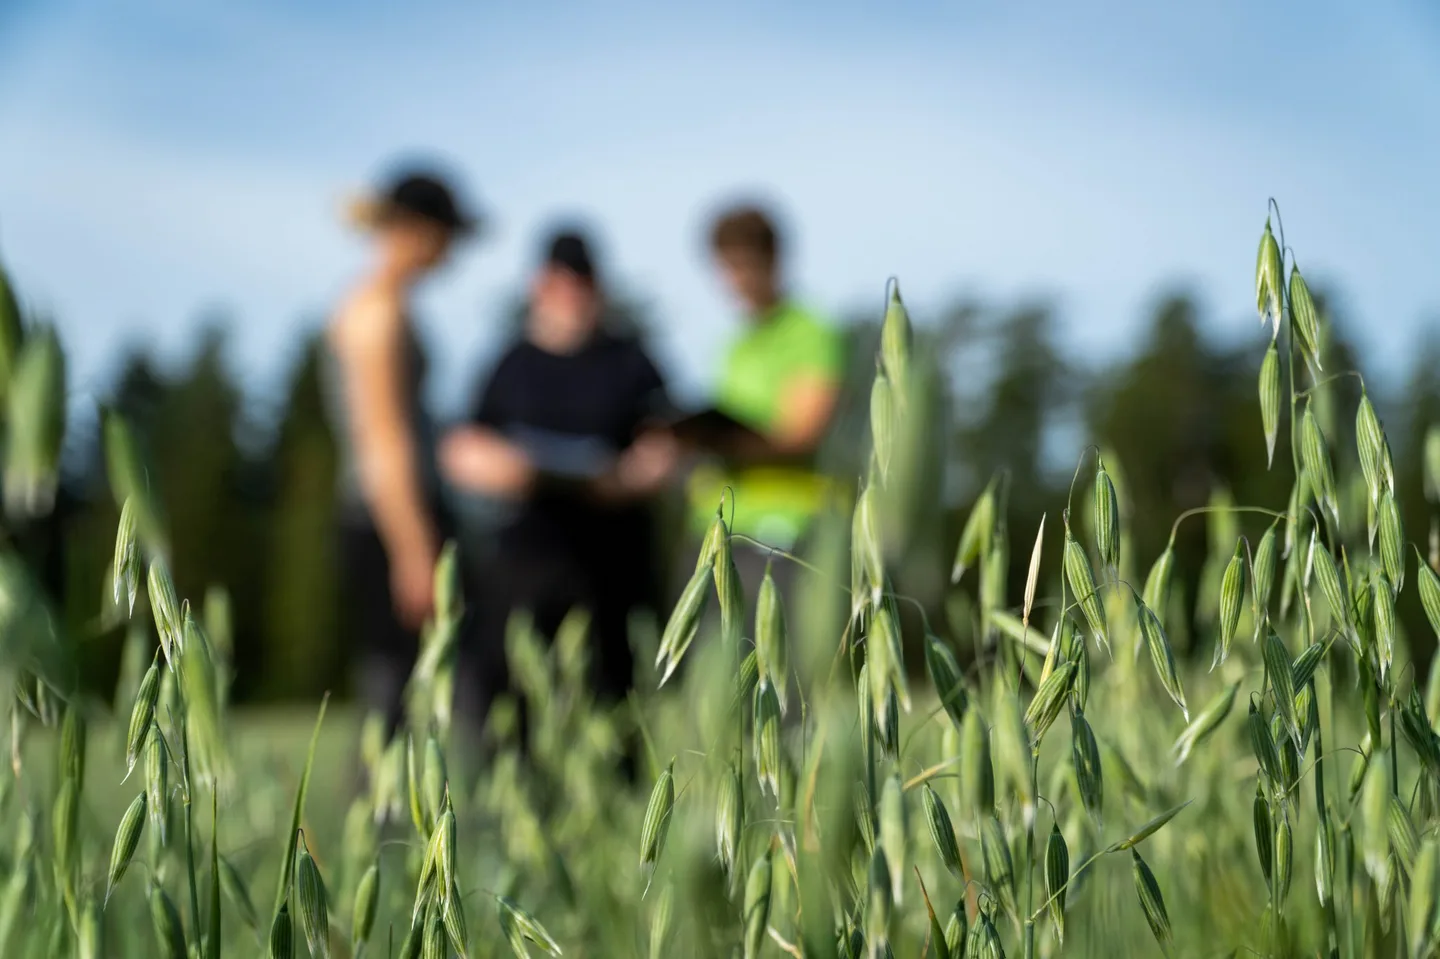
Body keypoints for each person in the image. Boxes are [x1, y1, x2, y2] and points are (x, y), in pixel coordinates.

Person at [441, 227, 676, 735]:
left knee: (617, 705)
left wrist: (629, 477)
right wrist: (505, 468)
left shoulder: (631, 361)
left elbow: (665, 448)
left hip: (614, 564)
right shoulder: (510, 364)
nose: (571, 297)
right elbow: (463, 449)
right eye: (559, 285)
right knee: (515, 705)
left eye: (582, 285)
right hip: (525, 562)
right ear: (538, 287)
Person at [323, 164, 480, 737]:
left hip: (384, 517)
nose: (451, 253)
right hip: (390, 520)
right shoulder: (378, 315)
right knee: (400, 693)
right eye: (448, 237)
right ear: (420, 230)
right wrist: (414, 550)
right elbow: (383, 442)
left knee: (403, 689)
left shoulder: (377, 305)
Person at [686, 202, 846, 593]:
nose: (734, 280)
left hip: (784, 531)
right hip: (717, 530)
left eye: (743, 266)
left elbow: (801, 433)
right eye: (725, 267)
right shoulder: (735, 344)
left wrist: (720, 441)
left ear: (773, 260)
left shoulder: (810, 331)